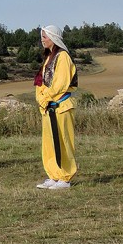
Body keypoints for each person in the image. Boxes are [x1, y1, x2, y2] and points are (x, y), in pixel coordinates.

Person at [34, 25, 77, 190]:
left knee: (63, 141)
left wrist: (46, 97)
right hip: (48, 107)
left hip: (61, 106)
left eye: (44, 36)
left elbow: (60, 84)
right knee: (50, 143)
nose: (42, 39)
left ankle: (65, 178)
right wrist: (41, 98)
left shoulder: (63, 57)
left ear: (53, 38)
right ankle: (54, 175)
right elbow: (41, 82)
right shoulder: (48, 58)